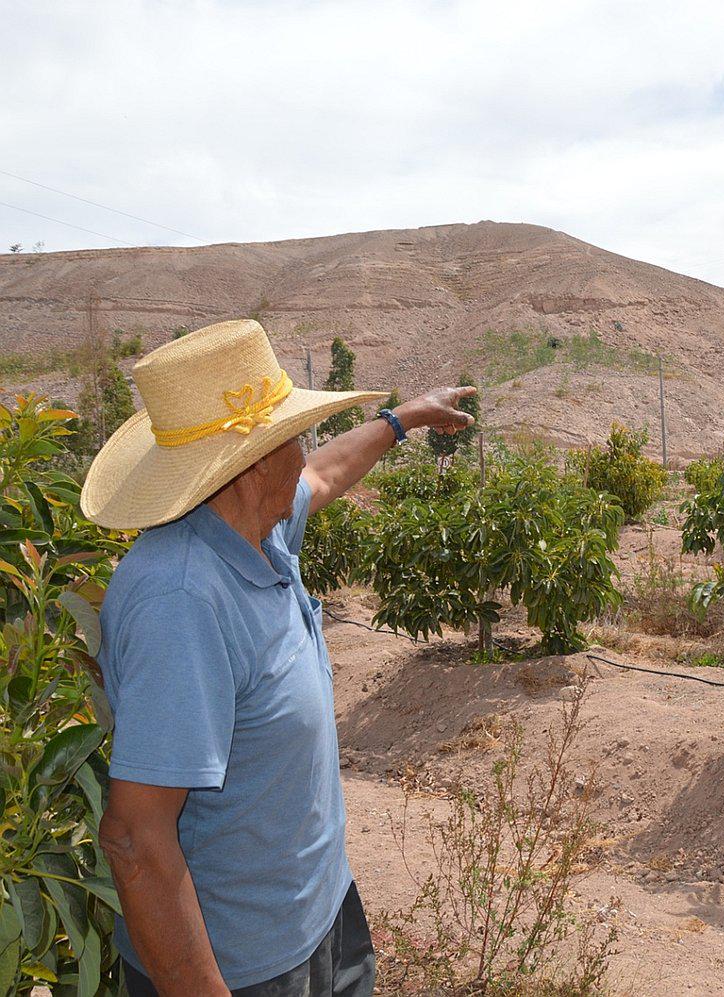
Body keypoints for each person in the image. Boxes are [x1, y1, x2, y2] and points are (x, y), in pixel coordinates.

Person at [80, 319, 475, 995]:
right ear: (254, 461)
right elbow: (135, 837)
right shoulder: (182, 600)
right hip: (242, 963)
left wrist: (402, 419)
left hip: (317, 914)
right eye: (293, 431)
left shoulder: (256, 528)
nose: (306, 444)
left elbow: (324, 473)